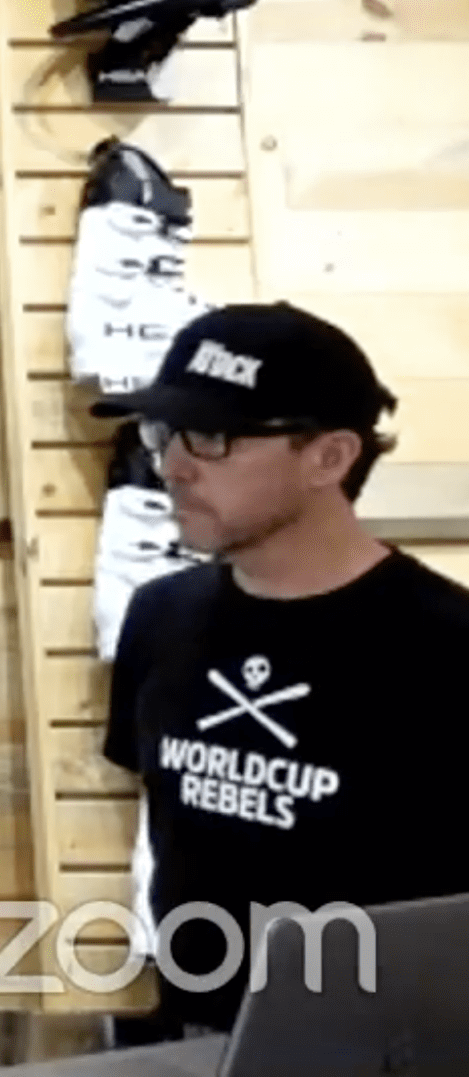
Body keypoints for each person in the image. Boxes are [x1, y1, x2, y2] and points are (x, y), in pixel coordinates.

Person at [94, 301, 469, 1035]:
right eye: (164, 432)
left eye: (212, 438)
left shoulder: (447, 648)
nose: (173, 466)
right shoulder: (159, 617)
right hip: (198, 1045)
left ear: (330, 457)